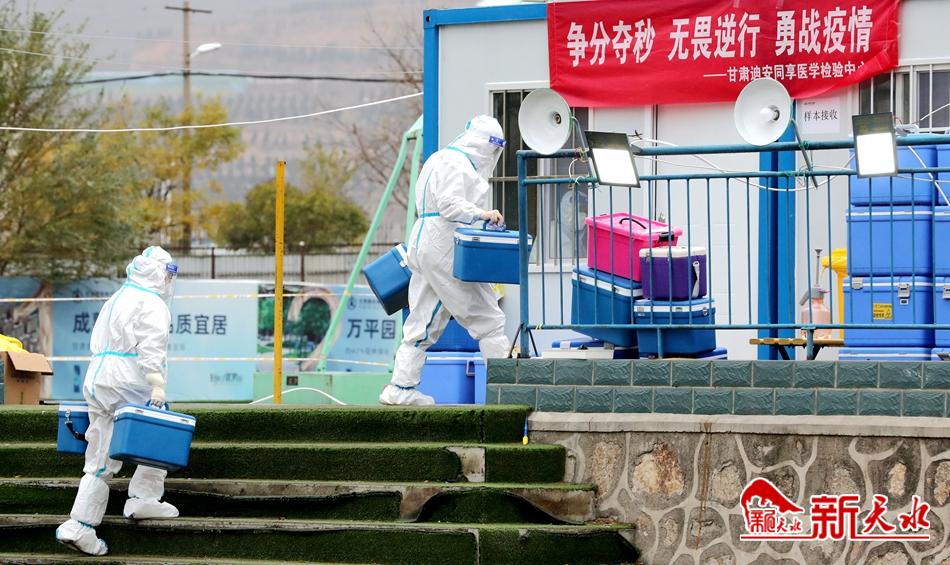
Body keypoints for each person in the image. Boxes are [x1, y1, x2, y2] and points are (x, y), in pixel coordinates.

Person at [56, 246, 179, 555]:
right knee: (157, 431)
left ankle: (80, 525)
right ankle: (144, 499)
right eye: (169, 273)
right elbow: (152, 349)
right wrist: (157, 386)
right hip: (129, 379)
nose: (170, 280)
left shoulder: (118, 297)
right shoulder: (152, 303)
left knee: (99, 456)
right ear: (159, 273)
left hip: (98, 377)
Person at [380, 115, 509, 406]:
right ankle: (505, 390)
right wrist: (482, 214)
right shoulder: (458, 163)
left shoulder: (439, 158)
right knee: (488, 318)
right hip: (445, 243)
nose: (493, 154)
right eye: (493, 148)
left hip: (424, 242)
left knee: (422, 320)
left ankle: (400, 388)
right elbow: (449, 204)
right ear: (485, 144)